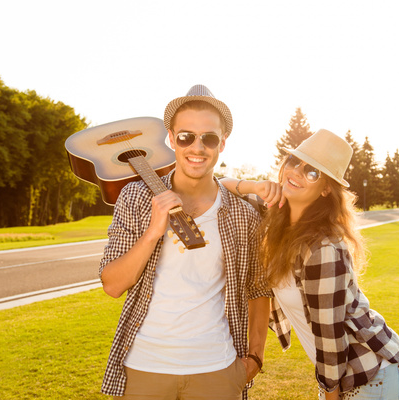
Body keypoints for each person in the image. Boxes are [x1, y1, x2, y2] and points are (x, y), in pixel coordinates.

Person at [98, 84, 271, 400]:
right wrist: (153, 232)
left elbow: (259, 289)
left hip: (217, 372)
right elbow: (112, 285)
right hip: (144, 371)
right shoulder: (136, 197)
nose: (197, 147)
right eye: (186, 136)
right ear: (170, 138)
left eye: (209, 138)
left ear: (222, 144)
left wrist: (255, 358)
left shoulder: (244, 214)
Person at [222, 129, 399, 399]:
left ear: (326, 189)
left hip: (372, 373)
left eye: (312, 171)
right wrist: (253, 185)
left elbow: (329, 333)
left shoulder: (323, 248)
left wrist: (329, 393)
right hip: (340, 373)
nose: (297, 172)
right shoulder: (274, 215)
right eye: (293, 162)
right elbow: (218, 186)